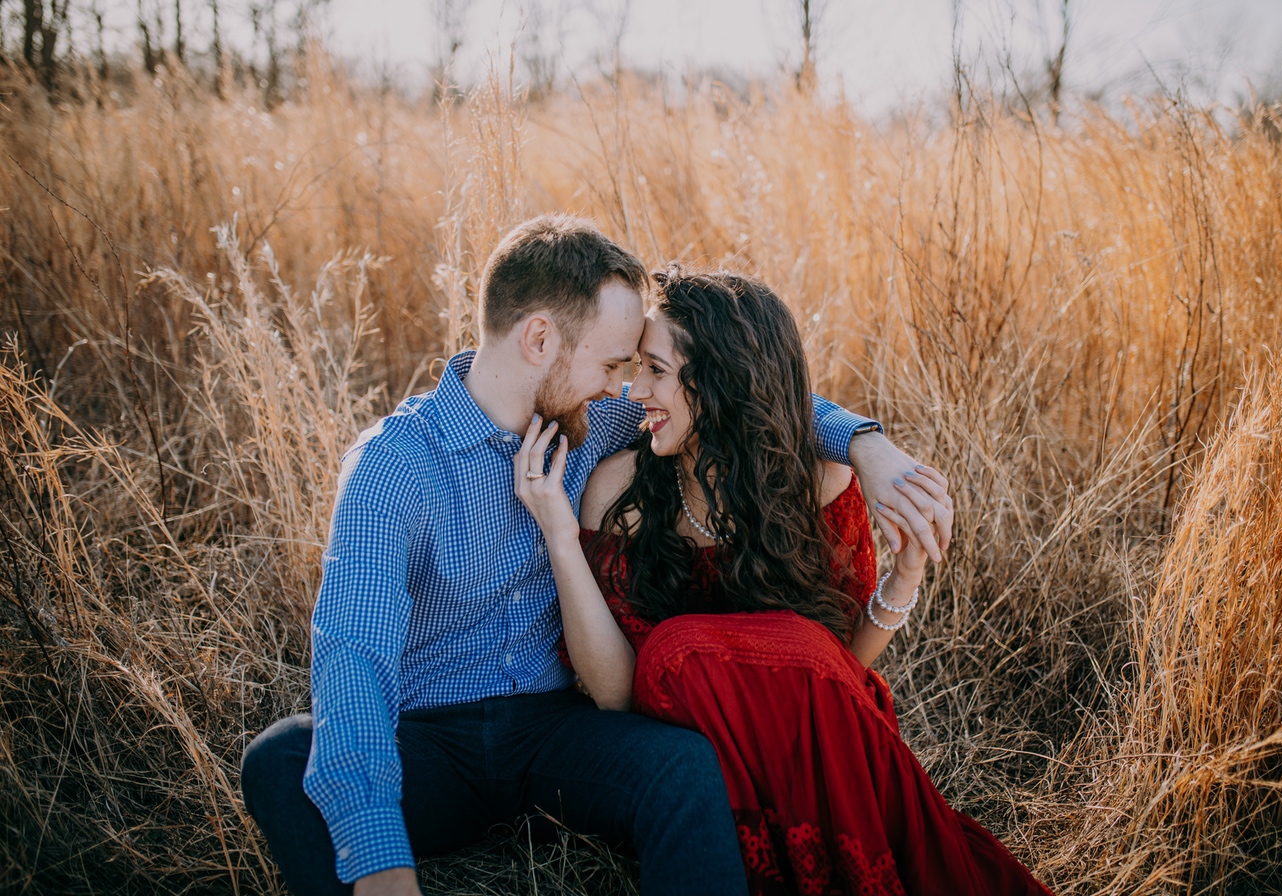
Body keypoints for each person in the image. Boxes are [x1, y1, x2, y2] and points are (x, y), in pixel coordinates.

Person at [239, 216, 950, 896]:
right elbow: (352, 657)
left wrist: (867, 445)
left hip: (556, 734)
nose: (624, 389)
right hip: (429, 743)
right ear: (540, 339)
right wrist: (377, 861)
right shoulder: (392, 466)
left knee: (683, 768)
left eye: (633, 368)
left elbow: (742, 394)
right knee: (278, 760)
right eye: (613, 363)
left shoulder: (591, 416)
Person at [514, 266, 1051, 896]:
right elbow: (618, 696)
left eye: (656, 371)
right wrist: (558, 535)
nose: (635, 392)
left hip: (820, 742)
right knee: (676, 651)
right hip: (701, 769)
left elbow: (839, 664)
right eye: (636, 368)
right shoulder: (617, 493)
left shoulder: (820, 483)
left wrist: (905, 575)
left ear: (719, 383)